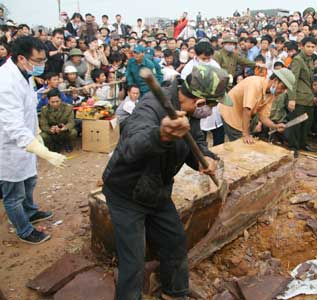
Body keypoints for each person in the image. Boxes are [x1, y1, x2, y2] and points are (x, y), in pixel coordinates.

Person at [102, 65, 228, 300]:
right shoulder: (151, 105)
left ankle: (174, 292)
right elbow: (131, 147)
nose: (212, 111)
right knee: (133, 261)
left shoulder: (191, 112)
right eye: (212, 105)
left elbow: (195, 142)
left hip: (156, 189)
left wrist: (204, 158)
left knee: (175, 240)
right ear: (200, 103)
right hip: (126, 192)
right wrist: (161, 135)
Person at [0, 36, 66, 245]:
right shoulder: (6, 82)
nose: (42, 65)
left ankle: (30, 211)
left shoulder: (25, 73)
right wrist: (44, 151)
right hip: (8, 147)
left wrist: (37, 135)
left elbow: (29, 110)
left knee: (30, 181)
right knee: (14, 194)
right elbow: (13, 126)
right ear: (21, 58)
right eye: (38, 61)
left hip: (26, 141)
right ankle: (24, 229)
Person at [219, 68, 295, 144]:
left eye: (285, 89)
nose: (282, 91)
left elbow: (263, 116)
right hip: (231, 113)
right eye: (282, 87)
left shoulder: (271, 94)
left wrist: (274, 126)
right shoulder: (255, 84)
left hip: (242, 117)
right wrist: (245, 134)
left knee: (245, 144)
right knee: (240, 145)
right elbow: (247, 109)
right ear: (275, 80)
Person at [181, 41, 225, 146]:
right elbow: (185, 88)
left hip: (213, 104)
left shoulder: (214, 64)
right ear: (196, 55)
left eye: (208, 58)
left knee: (218, 130)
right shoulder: (189, 68)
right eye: (203, 59)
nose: (206, 61)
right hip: (197, 104)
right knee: (200, 133)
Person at [287, 37, 317, 157]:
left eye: (312, 47)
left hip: (308, 97)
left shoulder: (309, 60)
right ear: (302, 46)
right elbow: (292, 80)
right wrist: (291, 98)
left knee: (307, 123)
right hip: (298, 97)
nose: (310, 49)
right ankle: (294, 147)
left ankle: (302, 143)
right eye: (308, 46)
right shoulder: (298, 60)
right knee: (296, 124)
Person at [39, 88, 77, 153]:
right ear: (48, 101)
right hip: (51, 133)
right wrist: (50, 129)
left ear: (61, 99)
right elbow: (43, 125)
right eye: (52, 102)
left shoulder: (68, 107)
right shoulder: (44, 110)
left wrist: (65, 128)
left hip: (63, 131)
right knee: (43, 136)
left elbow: (71, 122)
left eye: (57, 101)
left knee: (73, 132)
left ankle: (67, 143)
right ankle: (52, 146)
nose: (55, 104)